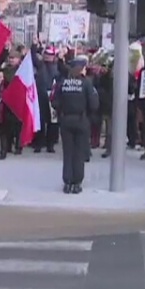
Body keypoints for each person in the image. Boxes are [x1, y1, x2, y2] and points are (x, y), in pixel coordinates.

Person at [53, 55, 99, 194]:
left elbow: (55, 102)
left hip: (66, 120)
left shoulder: (63, 83)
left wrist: (62, 110)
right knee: (79, 152)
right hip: (81, 120)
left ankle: (67, 182)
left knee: (68, 152)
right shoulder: (86, 83)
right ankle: (77, 183)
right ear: (81, 69)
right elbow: (94, 105)